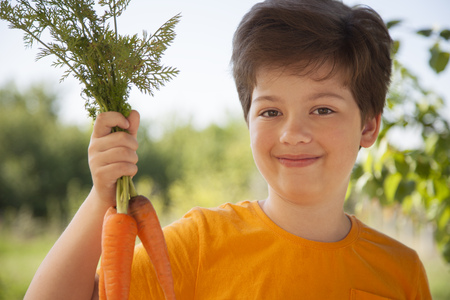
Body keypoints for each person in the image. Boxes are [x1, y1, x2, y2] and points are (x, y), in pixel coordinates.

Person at [25, 0, 432, 299]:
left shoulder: (401, 271)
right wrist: (101, 196)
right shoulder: (198, 245)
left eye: (322, 109)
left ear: (369, 125)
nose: (292, 133)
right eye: (271, 111)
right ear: (248, 121)